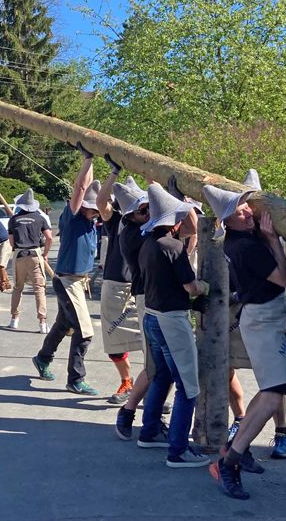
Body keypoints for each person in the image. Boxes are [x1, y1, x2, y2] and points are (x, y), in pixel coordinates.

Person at [204, 172, 286, 499]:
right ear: (227, 219)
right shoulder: (244, 245)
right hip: (263, 315)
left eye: (246, 206)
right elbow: (284, 279)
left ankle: (233, 447)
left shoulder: (242, 237)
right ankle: (230, 461)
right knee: (271, 395)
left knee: (271, 391)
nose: (246, 212)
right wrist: (273, 241)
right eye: (237, 210)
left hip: (265, 314)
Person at [136, 183, 211, 468]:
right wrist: (205, 287)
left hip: (152, 316)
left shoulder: (147, 243)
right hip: (172, 320)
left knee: (162, 375)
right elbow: (190, 286)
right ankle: (178, 450)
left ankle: (150, 429)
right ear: (173, 220)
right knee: (188, 387)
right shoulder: (174, 247)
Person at [32, 143, 101, 395]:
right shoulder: (73, 218)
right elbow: (81, 188)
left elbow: (90, 188)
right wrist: (88, 159)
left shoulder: (91, 222)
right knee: (84, 331)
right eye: (92, 206)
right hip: (67, 281)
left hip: (76, 282)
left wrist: (93, 164)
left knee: (64, 325)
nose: (97, 210)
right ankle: (75, 378)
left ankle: (43, 358)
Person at [97, 158, 148, 405]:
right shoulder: (116, 220)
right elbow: (100, 201)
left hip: (143, 288)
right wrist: (113, 173)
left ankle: (151, 387)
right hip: (115, 285)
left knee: (152, 343)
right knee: (114, 341)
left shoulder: (152, 221)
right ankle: (127, 382)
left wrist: (152, 178)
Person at [114, 177, 158, 439]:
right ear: (132, 215)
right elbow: (188, 229)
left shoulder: (138, 227)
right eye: (144, 210)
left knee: (159, 365)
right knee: (155, 364)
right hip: (148, 299)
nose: (149, 213)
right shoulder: (136, 235)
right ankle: (129, 412)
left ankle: (139, 413)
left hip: (152, 298)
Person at [6, 189, 52, 333]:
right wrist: (45, 253)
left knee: (18, 287)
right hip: (34, 254)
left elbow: (11, 241)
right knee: (39, 289)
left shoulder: (13, 219)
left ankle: (14, 320)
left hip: (19, 254)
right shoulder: (40, 218)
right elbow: (49, 237)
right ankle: (42, 323)